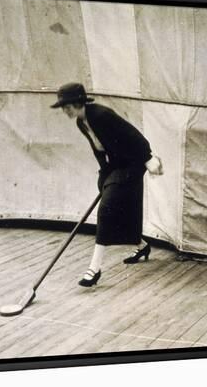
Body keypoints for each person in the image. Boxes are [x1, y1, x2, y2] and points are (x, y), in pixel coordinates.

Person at [50, 83, 163, 287]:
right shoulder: (81, 122)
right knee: (123, 206)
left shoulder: (101, 115)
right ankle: (142, 245)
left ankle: (94, 269)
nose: (65, 111)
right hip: (117, 165)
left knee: (106, 210)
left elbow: (134, 136)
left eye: (66, 106)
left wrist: (148, 158)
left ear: (78, 102)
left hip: (134, 162)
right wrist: (103, 176)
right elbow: (99, 150)